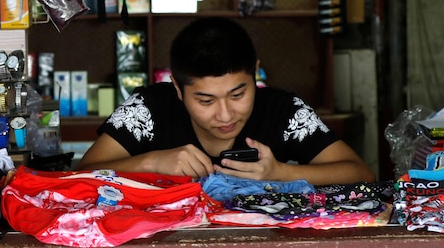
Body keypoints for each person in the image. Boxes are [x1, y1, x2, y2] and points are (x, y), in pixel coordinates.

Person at [77, 16, 375, 185]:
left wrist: (282, 173)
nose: (225, 115)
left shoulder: (283, 110)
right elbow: (78, 175)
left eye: (238, 94)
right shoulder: (149, 108)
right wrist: (150, 162)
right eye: (206, 101)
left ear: (255, 74)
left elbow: (359, 173)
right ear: (177, 90)